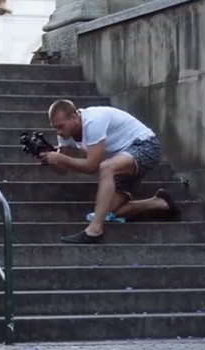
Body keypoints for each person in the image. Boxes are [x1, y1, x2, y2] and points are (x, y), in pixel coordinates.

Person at [39, 100, 180, 244]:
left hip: (145, 146)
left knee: (106, 167)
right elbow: (63, 170)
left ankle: (94, 230)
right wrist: (47, 159)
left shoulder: (93, 121)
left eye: (61, 126)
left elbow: (91, 166)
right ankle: (159, 202)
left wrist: (60, 157)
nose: (59, 132)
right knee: (107, 212)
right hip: (121, 159)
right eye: (55, 128)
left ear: (74, 117)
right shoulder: (65, 134)